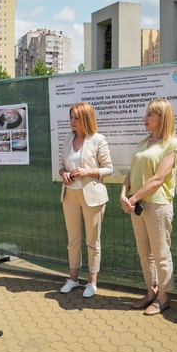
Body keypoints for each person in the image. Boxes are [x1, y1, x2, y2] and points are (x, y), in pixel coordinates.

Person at [120, 98, 177, 316]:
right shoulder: (144, 142)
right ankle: (151, 291)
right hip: (136, 204)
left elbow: (158, 178)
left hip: (157, 205)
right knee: (145, 253)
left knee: (161, 253)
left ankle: (164, 297)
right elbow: (131, 171)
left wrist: (133, 197)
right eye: (146, 114)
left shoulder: (171, 144)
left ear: (162, 118)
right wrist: (123, 193)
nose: (144, 118)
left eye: (150, 115)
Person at [58, 102, 113, 298]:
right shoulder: (67, 138)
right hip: (69, 195)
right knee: (73, 239)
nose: (72, 121)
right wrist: (63, 172)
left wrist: (87, 171)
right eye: (71, 117)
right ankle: (73, 279)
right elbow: (60, 164)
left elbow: (109, 169)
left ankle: (92, 282)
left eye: (76, 118)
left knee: (92, 240)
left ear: (86, 119)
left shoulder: (98, 139)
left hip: (93, 196)